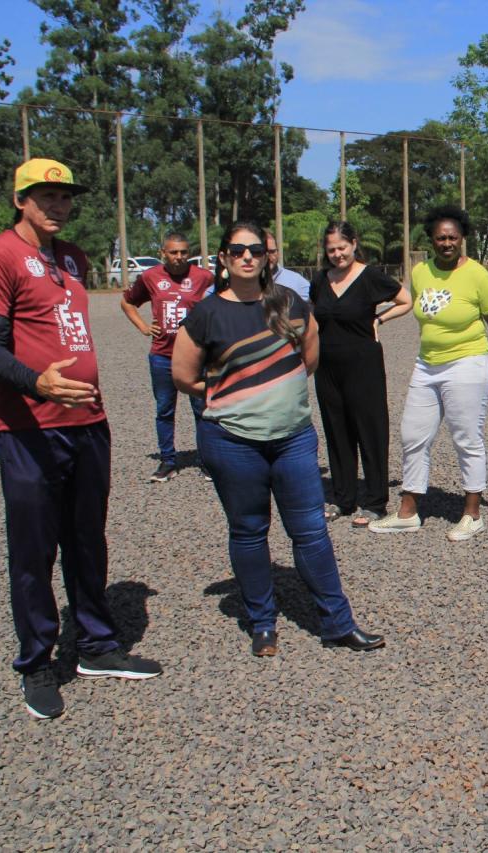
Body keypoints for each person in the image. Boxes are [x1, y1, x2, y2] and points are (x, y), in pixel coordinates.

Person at [0, 157, 162, 720]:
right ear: (20, 199)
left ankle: (97, 644)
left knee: (86, 537)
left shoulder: (72, 257)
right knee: (33, 549)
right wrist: (39, 383)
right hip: (29, 429)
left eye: (65, 196)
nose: (58, 204)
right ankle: (36, 662)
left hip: (87, 424)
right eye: (46, 196)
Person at [171, 221, 385, 658]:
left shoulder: (289, 303)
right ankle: (262, 623)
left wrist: (274, 394)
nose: (247, 257)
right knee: (250, 532)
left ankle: (337, 623)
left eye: (256, 250)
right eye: (237, 250)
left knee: (311, 532)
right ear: (224, 259)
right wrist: (233, 395)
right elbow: (183, 376)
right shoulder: (207, 313)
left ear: (268, 257)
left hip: (291, 439)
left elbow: (309, 357)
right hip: (232, 441)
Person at [368, 204, 488, 541]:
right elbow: (423, 309)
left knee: (466, 438)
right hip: (427, 364)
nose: (446, 243)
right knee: (412, 435)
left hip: (468, 362)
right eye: (440, 238)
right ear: (431, 241)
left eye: (452, 237)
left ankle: (472, 514)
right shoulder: (421, 272)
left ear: (462, 239)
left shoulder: (477, 275)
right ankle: (407, 512)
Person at [310, 222, 411, 526]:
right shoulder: (320, 280)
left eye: (342, 247)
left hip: (363, 363)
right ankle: (343, 498)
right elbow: (314, 317)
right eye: (331, 250)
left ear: (354, 244)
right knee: (337, 431)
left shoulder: (369, 277)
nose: (337, 254)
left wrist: (379, 319)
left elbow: (405, 300)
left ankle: (375, 501)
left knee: (370, 430)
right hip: (327, 366)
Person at [119, 232, 215, 481]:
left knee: (202, 409)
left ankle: (206, 460)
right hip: (162, 355)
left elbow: (222, 303)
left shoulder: (203, 277)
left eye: (184, 252)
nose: (179, 257)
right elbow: (128, 302)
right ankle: (168, 461)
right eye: (173, 252)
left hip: (196, 355)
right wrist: (143, 327)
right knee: (164, 409)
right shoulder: (150, 277)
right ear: (163, 253)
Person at [265, 232, 311, 304]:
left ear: (278, 252)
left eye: (272, 251)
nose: (268, 256)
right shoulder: (247, 283)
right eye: (263, 252)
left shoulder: (297, 281)